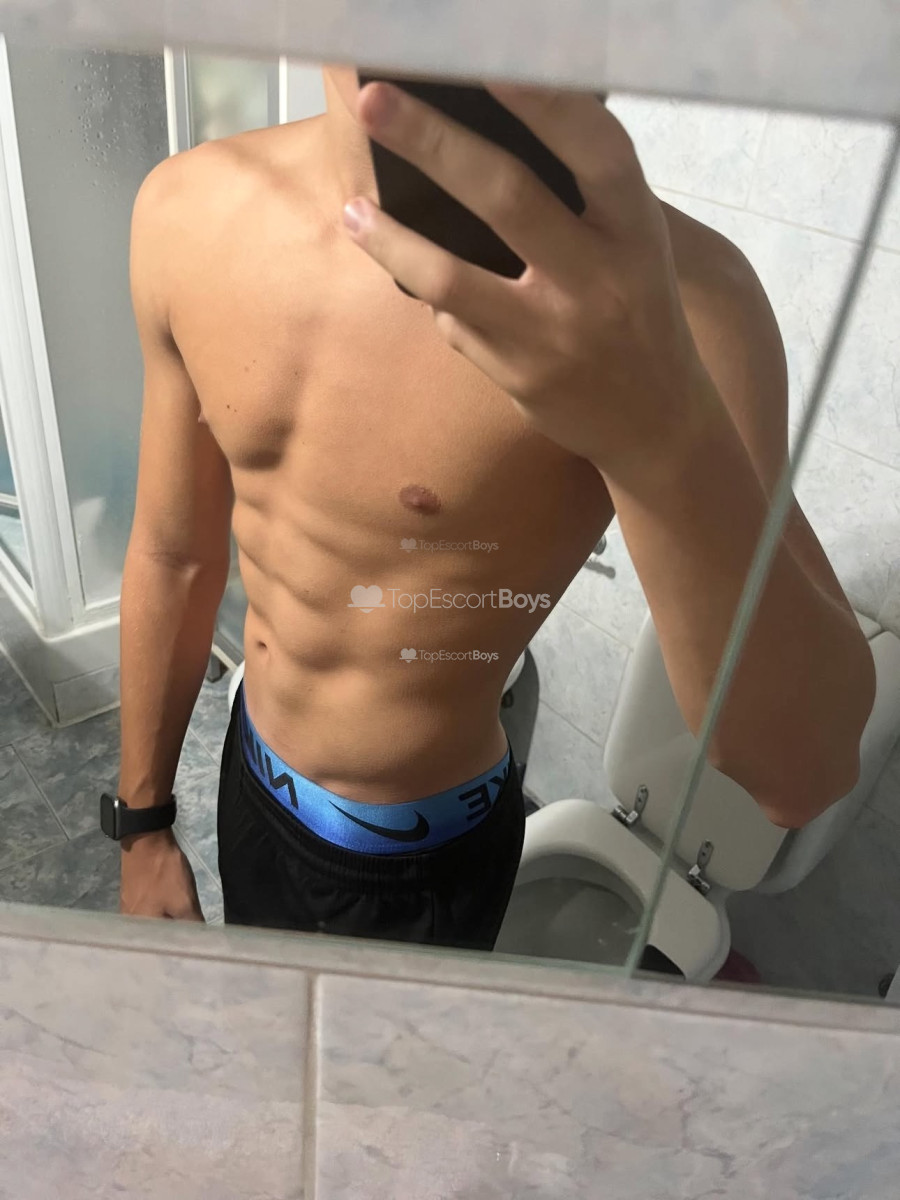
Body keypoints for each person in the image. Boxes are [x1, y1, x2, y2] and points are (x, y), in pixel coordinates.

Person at [114, 65, 875, 950]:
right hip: (251, 785)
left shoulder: (680, 305)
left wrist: (661, 430)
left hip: (430, 860)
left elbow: (803, 773)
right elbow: (173, 555)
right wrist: (142, 825)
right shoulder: (185, 212)